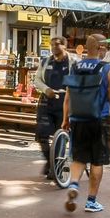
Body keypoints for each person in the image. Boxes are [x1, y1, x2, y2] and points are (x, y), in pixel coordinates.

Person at [61, 33, 110, 214]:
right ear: (101, 48)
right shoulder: (106, 68)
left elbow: (68, 96)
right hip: (99, 120)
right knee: (97, 161)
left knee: (79, 157)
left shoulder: (75, 67)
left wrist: (65, 119)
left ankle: (73, 184)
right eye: (106, 47)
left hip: (77, 119)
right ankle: (91, 201)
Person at [34, 36, 71, 179]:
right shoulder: (45, 62)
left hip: (64, 103)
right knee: (42, 135)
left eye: (57, 45)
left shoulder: (73, 62)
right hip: (46, 102)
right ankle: (50, 162)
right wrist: (46, 89)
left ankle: (57, 167)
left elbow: (78, 80)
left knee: (61, 136)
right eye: (52, 45)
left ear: (65, 46)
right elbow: (37, 80)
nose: (54, 47)